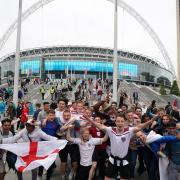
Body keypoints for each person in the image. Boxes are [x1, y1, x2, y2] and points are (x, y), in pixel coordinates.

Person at [84, 114, 155, 180]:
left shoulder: (129, 131)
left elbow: (140, 126)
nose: (120, 123)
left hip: (124, 161)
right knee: (107, 178)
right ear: (115, 122)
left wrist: (151, 121)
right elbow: (99, 125)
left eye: (122, 121)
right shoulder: (110, 130)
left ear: (124, 122)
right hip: (112, 160)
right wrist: (88, 118)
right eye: (118, 121)